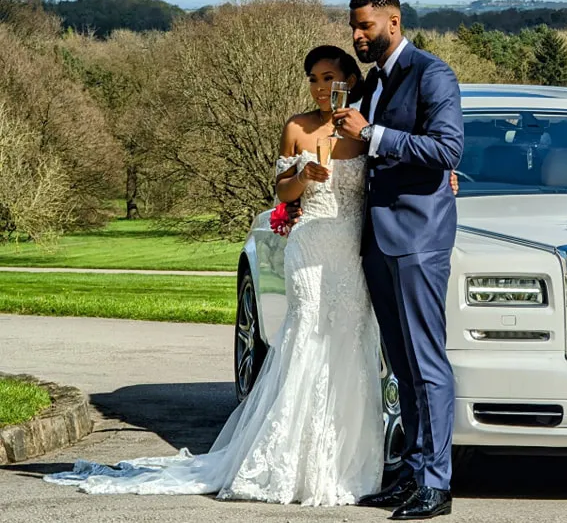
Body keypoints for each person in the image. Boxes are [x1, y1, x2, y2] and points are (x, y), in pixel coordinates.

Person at [43, 45, 388, 507]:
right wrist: (304, 175)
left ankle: (346, 463)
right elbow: (282, 191)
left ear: (350, 79)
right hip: (308, 246)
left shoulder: (366, 129)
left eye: (331, 78)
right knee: (306, 336)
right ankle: (290, 459)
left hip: (350, 249)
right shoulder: (297, 127)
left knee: (349, 341)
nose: (322, 87)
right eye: (314, 79)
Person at [332, 0, 464, 520]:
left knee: (427, 362)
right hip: (376, 240)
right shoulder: (373, 82)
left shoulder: (432, 73)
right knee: (403, 367)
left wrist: (376, 135)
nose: (358, 36)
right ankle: (411, 474)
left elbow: (447, 150)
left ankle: (437, 484)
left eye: (366, 26)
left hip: (417, 239)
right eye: (353, 28)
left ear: (394, 19)